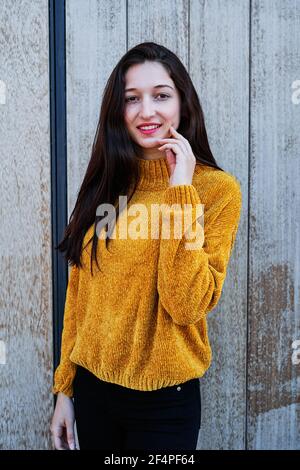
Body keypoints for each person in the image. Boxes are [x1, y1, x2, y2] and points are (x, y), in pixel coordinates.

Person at [50, 41, 242, 451]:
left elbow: (186, 302)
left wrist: (180, 190)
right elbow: (81, 296)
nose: (147, 111)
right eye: (131, 99)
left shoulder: (216, 191)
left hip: (164, 404)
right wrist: (65, 388)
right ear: (118, 111)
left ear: (183, 104)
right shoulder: (108, 182)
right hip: (93, 392)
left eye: (161, 95)